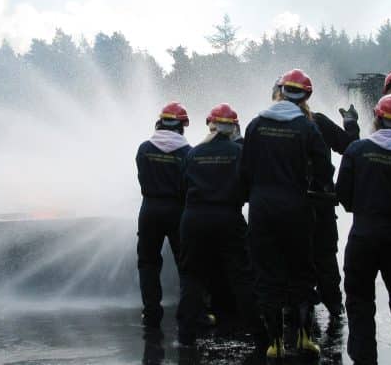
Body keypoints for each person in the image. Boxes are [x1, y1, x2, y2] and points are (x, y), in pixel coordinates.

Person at [241, 69, 332, 359]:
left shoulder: (256, 124)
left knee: (267, 273)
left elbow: (245, 168)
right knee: (301, 273)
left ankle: (274, 343)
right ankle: (305, 338)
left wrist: (252, 196)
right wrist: (320, 189)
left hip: (262, 208)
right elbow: (323, 167)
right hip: (296, 206)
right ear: (305, 96)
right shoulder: (307, 127)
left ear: (279, 91)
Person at [336, 93, 391, 365]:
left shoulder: (357, 150)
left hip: (364, 237)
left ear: (377, 119)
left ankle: (364, 359)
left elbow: (343, 195)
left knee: (359, 302)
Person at [177, 103, 263, 346]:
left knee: (192, 277)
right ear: (234, 127)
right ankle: (258, 334)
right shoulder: (240, 153)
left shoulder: (192, 153)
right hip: (228, 218)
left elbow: (182, 187)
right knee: (242, 278)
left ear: (210, 125)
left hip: (194, 218)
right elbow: (249, 186)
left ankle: (185, 336)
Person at [135, 101, 191, 332]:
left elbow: (142, 178)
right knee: (185, 263)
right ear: (181, 126)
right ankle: (188, 312)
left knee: (148, 263)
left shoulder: (144, 148)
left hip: (149, 210)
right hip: (177, 211)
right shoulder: (188, 152)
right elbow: (188, 185)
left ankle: (151, 312)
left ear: (159, 123)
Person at [309, 101, 360, 319]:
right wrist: (351, 123)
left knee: (290, 255)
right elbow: (350, 146)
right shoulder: (317, 121)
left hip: (288, 205)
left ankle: (295, 309)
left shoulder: (268, 125)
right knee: (325, 255)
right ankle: (334, 306)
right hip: (321, 201)